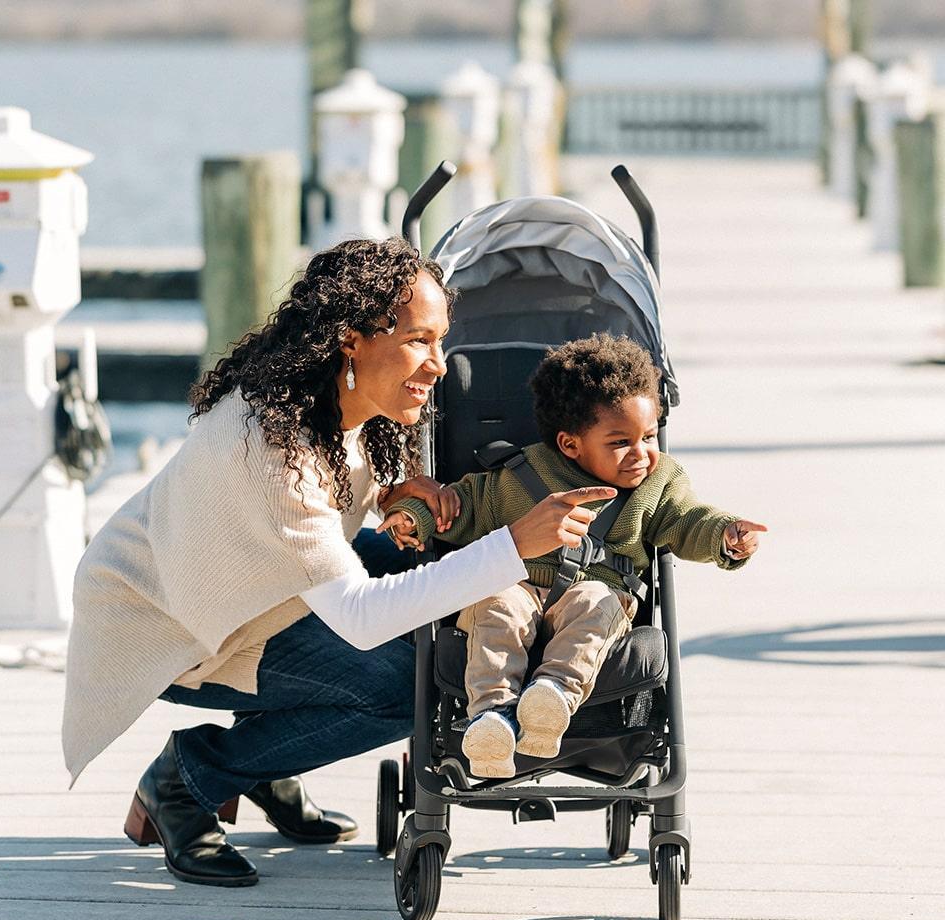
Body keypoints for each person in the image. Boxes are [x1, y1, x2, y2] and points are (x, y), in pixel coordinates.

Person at [62, 238, 615, 887]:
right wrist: (515, 544)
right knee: (401, 682)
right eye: (418, 341)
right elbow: (356, 614)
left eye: (441, 341)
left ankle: (263, 763)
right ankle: (191, 775)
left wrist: (389, 495)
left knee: (424, 569)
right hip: (165, 622)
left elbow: (321, 507)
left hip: (249, 590)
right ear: (351, 339)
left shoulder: (324, 402)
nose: (438, 365)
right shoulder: (274, 451)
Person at [380, 334, 767, 778]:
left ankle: (551, 698)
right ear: (570, 445)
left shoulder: (657, 483)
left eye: (648, 436)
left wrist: (724, 535)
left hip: (598, 592)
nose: (641, 454)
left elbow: (687, 519)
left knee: (594, 603)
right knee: (497, 602)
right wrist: (414, 518)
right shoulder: (520, 475)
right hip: (517, 586)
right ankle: (493, 718)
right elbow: (459, 504)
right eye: (621, 442)